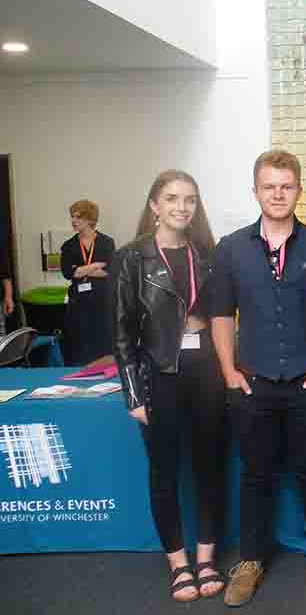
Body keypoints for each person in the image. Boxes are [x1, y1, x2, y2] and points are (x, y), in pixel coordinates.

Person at [211, 150, 306, 607]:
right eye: (269, 186)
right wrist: (229, 370)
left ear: (298, 190)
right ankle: (250, 559)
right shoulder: (230, 248)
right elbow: (219, 314)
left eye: (286, 185)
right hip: (252, 384)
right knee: (255, 474)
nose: (278, 193)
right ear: (255, 191)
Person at [111, 171, 226, 602]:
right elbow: (122, 334)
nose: (182, 207)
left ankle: (206, 558)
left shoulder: (208, 255)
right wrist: (133, 395)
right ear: (155, 205)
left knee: (209, 467)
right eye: (172, 198)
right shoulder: (131, 258)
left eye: (190, 200)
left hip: (206, 372)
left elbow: (223, 320)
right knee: (164, 471)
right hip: (159, 373)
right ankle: (178, 563)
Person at [61, 200, 115, 364]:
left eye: (78, 217)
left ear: (90, 219)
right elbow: (69, 273)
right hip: (79, 304)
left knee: (103, 346)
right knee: (80, 348)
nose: (74, 221)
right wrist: (95, 265)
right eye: (72, 217)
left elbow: (110, 271)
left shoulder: (106, 242)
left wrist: (82, 269)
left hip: (102, 302)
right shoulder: (69, 245)